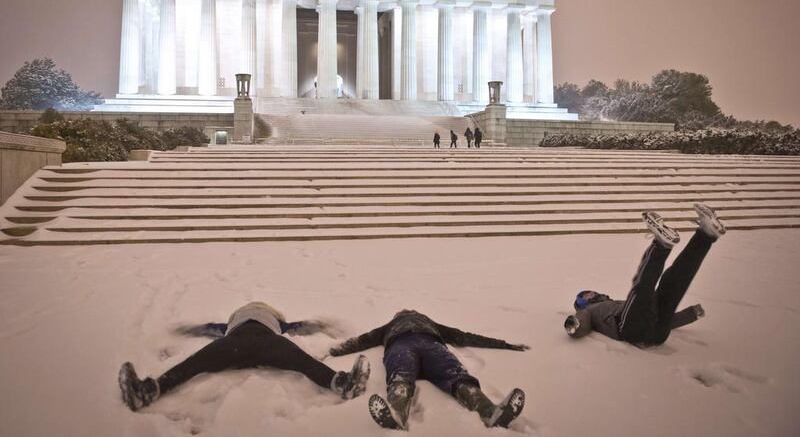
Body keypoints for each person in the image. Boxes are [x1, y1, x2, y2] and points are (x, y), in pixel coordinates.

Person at [117, 301, 370, 411]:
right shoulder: (272, 322)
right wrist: (318, 323)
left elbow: (211, 329)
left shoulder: (247, 322)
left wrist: (321, 324)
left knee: (195, 363)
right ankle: (341, 383)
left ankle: (150, 390)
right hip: (265, 343)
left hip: (237, 344)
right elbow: (298, 326)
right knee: (301, 361)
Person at [330, 309, 528, 430]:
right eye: (403, 311)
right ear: (397, 315)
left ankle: (489, 412)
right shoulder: (390, 325)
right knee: (401, 375)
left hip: (432, 345)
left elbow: (463, 336)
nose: (407, 311)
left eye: (411, 310)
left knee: (456, 375)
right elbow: (364, 339)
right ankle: (397, 413)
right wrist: (333, 350)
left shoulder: (430, 323)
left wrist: (505, 344)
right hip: (401, 346)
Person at [564, 204, 726, 347]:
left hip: (658, 334)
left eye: (589, 291)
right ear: (582, 303)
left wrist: (690, 314)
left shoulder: (612, 303)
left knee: (672, 284)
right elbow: (581, 324)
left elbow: (668, 319)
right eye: (585, 295)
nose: (590, 293)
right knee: (641, 287)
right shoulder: (588, 310)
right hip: (629, 329)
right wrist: (574, 326)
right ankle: (661, 245)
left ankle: (706, 236)